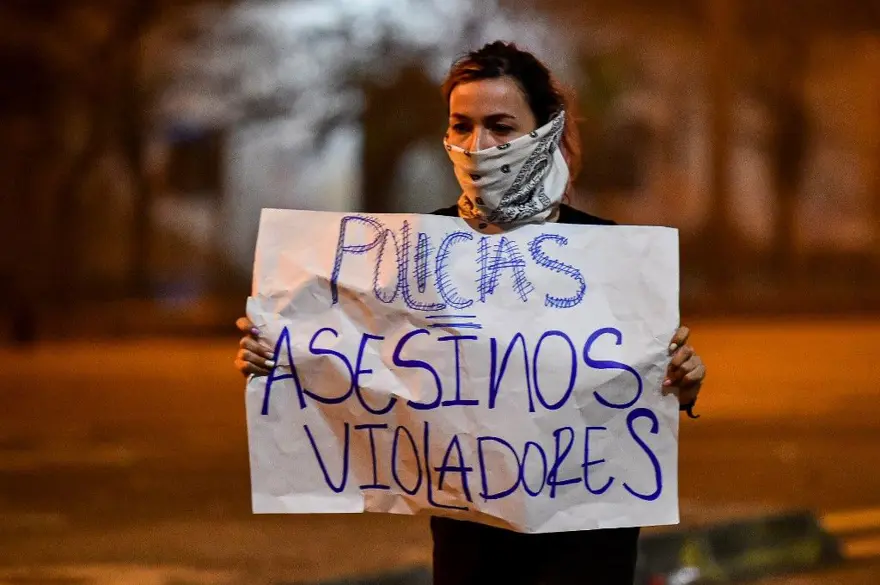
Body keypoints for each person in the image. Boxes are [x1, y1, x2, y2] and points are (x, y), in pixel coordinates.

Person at [235, 41, 706, 585]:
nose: (477, 145)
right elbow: (354, 362)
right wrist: (280, 358)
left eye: (501, 126)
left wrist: (681, 383)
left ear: (544, 130)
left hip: (585, 547)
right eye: (461, 125)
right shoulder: (410, 253)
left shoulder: (606, 252)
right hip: (472, 552)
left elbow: (638, 385)